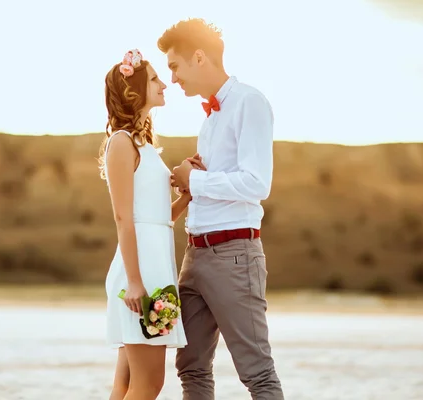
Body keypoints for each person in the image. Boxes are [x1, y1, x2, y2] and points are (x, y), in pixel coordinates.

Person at [157, 19, 285, 400]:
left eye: (175, 66)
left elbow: (256, 183)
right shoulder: (210, 118)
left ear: (199, 57)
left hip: (233, 255)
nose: (174, 78)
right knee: (191, 366)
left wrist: (193, 181)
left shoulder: (250, 102)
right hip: (194, 255)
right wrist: (190, 177)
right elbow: (222, 180)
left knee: (257, 372)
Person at [99, 49, 190, 400]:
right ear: (135, 90)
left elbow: (157, 219)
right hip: (139, 278)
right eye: (154, 79)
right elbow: (123, 217)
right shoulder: (121, 143)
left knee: (127, 385)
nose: (164, 84)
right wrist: (135, 282)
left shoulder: (145, 146)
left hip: (155, 270)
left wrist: (188, 193)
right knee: (149, 384)